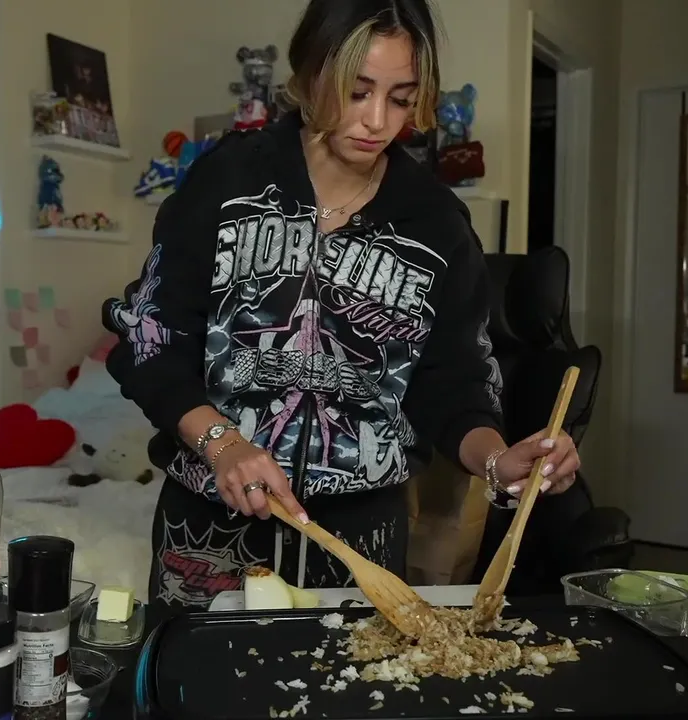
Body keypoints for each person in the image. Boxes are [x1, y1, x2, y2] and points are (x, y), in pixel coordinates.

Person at [102, 0, 581, 617]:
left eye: (401, 99)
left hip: (363, 539)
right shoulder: (228, 180)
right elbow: (151, 342)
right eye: (356, 92)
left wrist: (497, 459)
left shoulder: (436, 223)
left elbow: (455, 384)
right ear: (310, 76)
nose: (377, 121)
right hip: (208, 532)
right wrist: (221, 442)